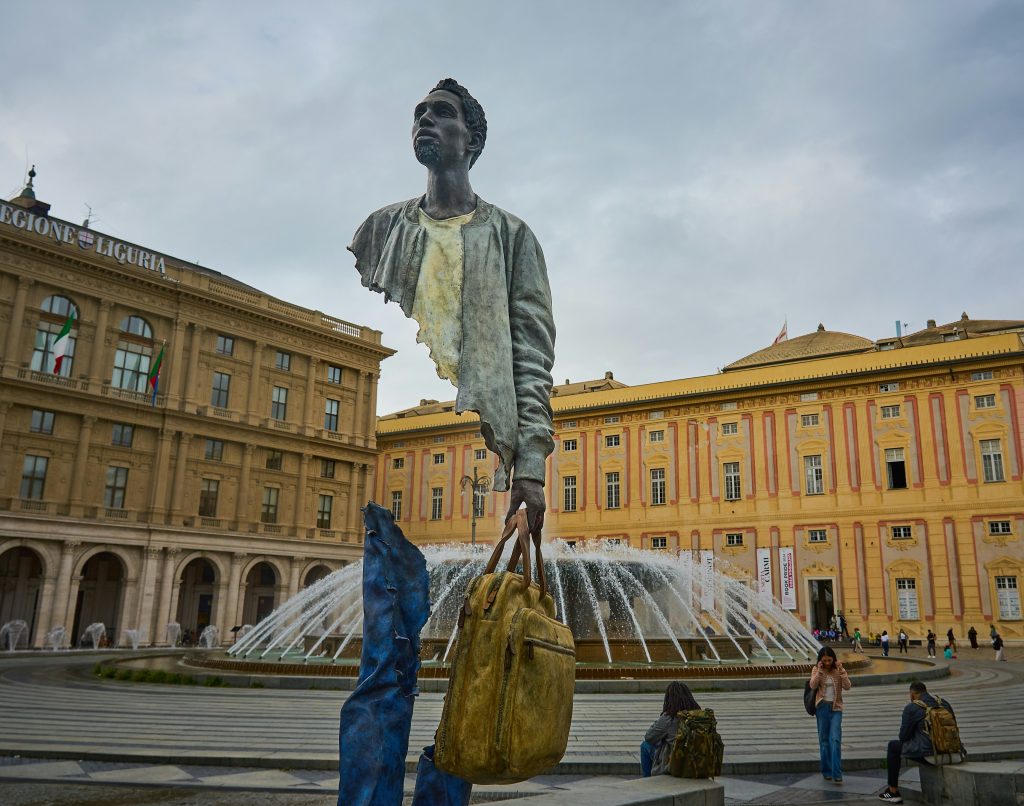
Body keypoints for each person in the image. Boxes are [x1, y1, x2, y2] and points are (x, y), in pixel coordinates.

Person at [350, 78, 555, 538]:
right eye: (419, 114)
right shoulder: (380, 231)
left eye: (441, 113)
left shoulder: (512, 235)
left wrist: (531, 463)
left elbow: (532, 354)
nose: (424, 120)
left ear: (473, 139)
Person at [878, 681, 956, 803]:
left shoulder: (912, 707)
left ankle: (892, 792)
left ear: (913, 694)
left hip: (931, 754)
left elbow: (903, 737)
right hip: (954, 751)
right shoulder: (943, 702)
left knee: (893, 746)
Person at [640, 682, 702, 777]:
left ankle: (648, 781)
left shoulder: (669, 717)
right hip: (697, 760)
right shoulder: (699, 715)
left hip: (675, 762)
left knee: (645, 746)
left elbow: (649, 737)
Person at [810, 646, 851, 783]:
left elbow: (847, 686)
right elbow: (812, 685)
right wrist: (820, 671)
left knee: (835, 739)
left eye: (829, 660)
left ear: (834, 659)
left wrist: (843, 671)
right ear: (820, 660)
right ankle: (827, 771)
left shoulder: (838, 670)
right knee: (824, 741)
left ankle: (837, 773)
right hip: (822, 708)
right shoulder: (817, 669)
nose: (827, 663)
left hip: (836, 708)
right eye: (824, 661)